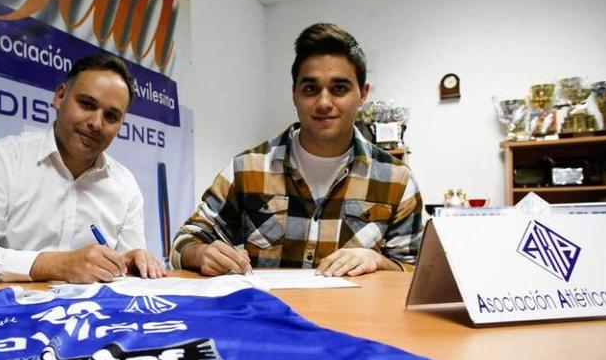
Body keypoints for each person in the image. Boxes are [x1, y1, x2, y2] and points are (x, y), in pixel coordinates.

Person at [171, 23, 422, 278]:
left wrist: (376, 260)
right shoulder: (247, 169)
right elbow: (184, 241)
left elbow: (414, 272)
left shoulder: (397, 180)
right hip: (267, 316)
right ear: (294, 94)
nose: (324, 103)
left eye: (339, 88)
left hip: (354, 318)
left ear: (362, 93)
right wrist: (202, 254)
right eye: (311, 89)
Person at [0, 53, 166, 286]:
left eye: (111, 116)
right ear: (60, 97)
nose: (96, 124)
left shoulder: (125, 184)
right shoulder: (3, 159)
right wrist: (57, 265)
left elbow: (126, 279)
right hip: (5, 316)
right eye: (87, 104)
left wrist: (130, 265)